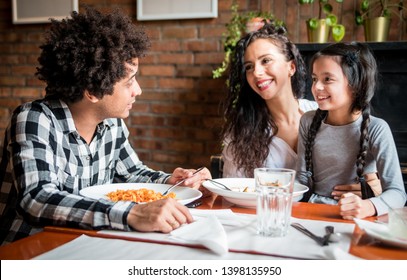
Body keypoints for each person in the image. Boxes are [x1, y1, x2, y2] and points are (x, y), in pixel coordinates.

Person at [0, 7, 211, 246]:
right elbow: (36, 199)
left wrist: (172, 182)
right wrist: (130, 213)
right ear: (93, 91)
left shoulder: (112, 124)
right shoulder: (35, 119)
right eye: (130, 81)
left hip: (87, 244)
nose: (138, 90)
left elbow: (133, 174)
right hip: (29, 250)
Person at [296, 42, 406, 219]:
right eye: (315, 79)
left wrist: (368, 206)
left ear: (356, 84)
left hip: (354, 217)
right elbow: (300, 182)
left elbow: (398, 193)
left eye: (327, 79)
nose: (316, 87)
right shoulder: (307, 121)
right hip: (312, 213)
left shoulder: (377, 129)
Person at [221, 23, 318, 179]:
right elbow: (234, 192)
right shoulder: (241, 131)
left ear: (291, 67)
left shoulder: (324, 114)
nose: (257, 73)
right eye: (249, 67)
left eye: (265, 61)